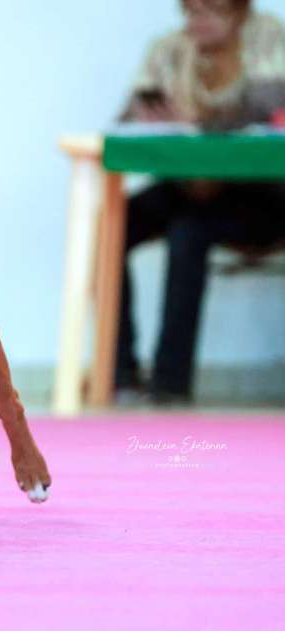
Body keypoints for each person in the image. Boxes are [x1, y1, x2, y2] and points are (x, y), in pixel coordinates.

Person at [116, 0, 285, 404]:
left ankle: (169, 384)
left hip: (255, 190)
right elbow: (125, 123)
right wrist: (148, 115)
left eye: (211, 11)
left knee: (188, 232)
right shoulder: (168, 49)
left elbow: (271, 110)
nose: (198, 21)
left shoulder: (268, 39)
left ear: (239, 11)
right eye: (191, 12)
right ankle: (120, 373)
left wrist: (199, 123)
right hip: (184, 184)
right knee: (113, 226)